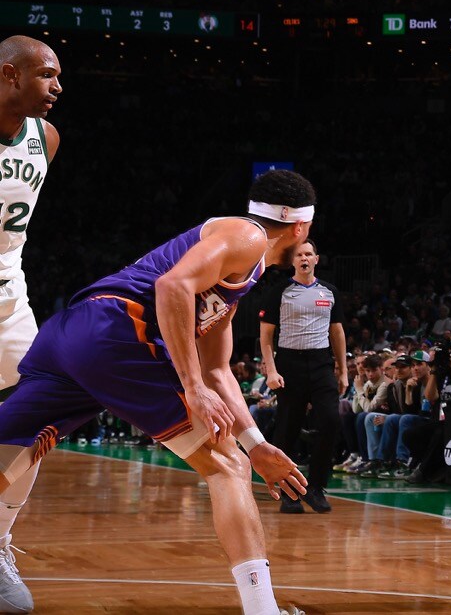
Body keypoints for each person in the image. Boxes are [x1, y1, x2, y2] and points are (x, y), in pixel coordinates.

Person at [0, 169, 314, 615]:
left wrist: (257, 445)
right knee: (227, 468)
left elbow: (217, 370)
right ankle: (262, 610)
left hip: (75, 336)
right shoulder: (247, 236)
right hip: (118, 332)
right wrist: (191, 388)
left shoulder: (241, 272)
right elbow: (173, 286)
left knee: (10, 451)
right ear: (300, 225)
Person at [0, 35, 61, 611]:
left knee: (37, 419)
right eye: (45, 75)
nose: (57, 88)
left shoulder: (46, 138)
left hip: (10, 306)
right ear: (8, 75)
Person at [259, 238, 347, 513]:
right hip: (289, 363)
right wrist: (271, 370)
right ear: (293, 261)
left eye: (309, 253)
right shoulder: (280, 291)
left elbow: (337, 332)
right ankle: (290, 492)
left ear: (316, 259)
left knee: (331, 421)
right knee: (288, 429)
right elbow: (266, 335)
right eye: (299, 255)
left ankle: (317, 487)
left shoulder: (330, 292)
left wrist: (342, 370)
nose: (304, 258)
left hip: (321, 363)